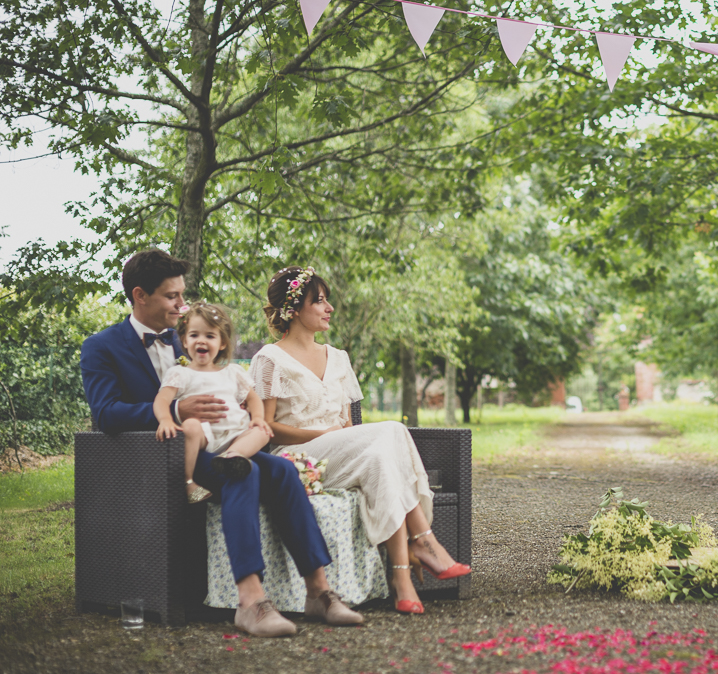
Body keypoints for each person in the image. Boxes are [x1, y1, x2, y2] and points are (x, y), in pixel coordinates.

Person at [80, 250, 362, 637]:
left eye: (182, 295)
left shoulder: (194, 336)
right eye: (171, 297)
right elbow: (107, 413)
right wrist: (177, 410)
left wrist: (251, 420)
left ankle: (319, 591)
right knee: (241, 471)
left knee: (281, 469)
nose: (182, 305)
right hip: (167, 457)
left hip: (223, 448)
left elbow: (234, 390)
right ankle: (251, 602)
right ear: (140, 295)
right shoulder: (102, 346)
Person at [250, 266, 471, 616]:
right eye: (319, 301)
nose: (329, 308)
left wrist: (340, 436)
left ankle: (402, 580)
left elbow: (354, 427)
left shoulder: (338, 358)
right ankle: (423, 541)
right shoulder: (269, 359)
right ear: (293, 309)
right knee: (391, 431)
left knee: (383, 454)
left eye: (327, 300)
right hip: (296, 458)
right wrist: (322, 435)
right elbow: (265, 428)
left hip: (343, 453)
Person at [154, 302, 273, 504]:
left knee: (263, 431)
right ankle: (189, 481)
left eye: (210, 336)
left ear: (222, 343)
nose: (201, 341)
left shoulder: (233, 372)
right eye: (194, 335)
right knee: (190, 425)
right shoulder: (180, 373)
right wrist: (165, 419)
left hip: (237, 434)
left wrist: (259, 418)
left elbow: (253, 398)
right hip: (206, 435)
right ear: (184, 340)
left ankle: (231, 456)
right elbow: (161, 400)